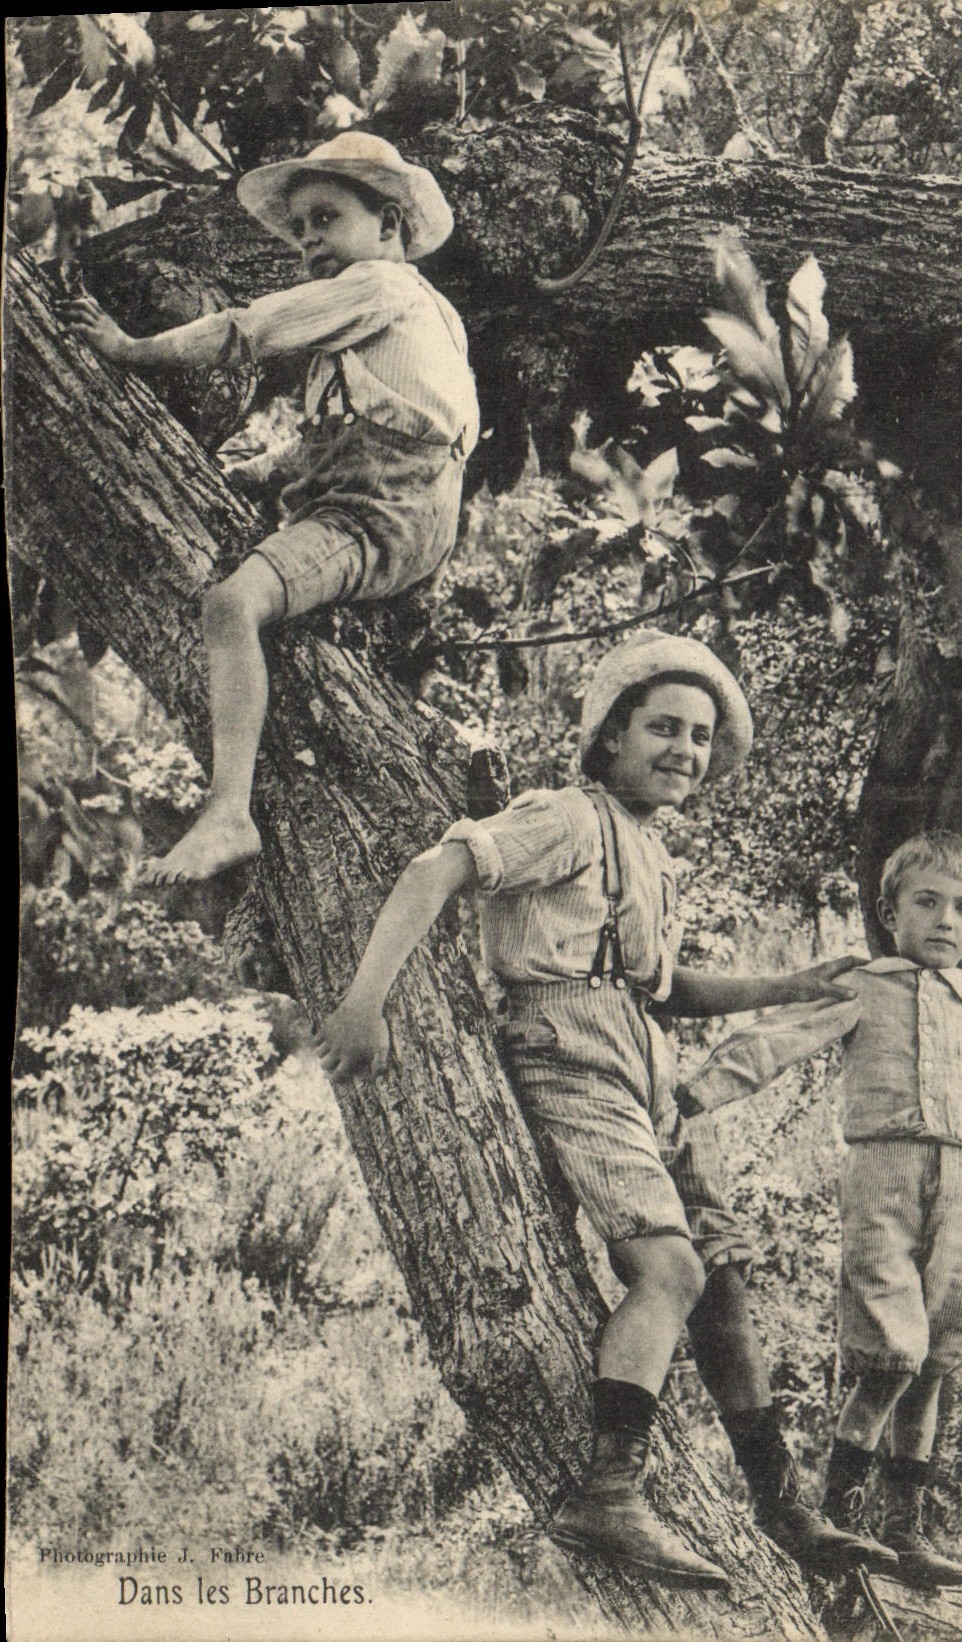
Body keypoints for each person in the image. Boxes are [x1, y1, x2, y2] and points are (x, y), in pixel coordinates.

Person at [314, 627, 885, 1584]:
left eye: (701, 738)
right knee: (667, 1269)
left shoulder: (650, 852)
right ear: (610, 736)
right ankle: (609, 1493)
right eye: (664, 727)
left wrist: (791, 982)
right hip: (567, 1051)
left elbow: (662, 987)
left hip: (644, 1065)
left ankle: (783, 1505)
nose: (685, 752)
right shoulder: (567, 816)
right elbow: (438, 869)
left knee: (721, 1271)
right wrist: (364, 1000)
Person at [62, 132, 479, 885]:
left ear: (389, 227)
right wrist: (258, 471)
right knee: (271, 601)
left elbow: (245, 329)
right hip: (400, 509)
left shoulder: (382, 285)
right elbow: (351, 432)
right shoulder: (414, 320)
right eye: (302, 229)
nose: (311, 238)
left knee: (231, 605)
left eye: (327, 217)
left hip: (382, 513)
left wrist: (129, 349)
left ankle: (228, 813)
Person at [686, 831, 962, 1586]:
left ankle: (903, 1531)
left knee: (937, 1359)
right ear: (889, 912)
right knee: (891, 1351)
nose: (946, 920)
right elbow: (776, 1040)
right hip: (883, 1177)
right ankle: (836, 1521)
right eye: (928, 903)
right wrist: (696, 1096)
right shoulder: (864, 986)